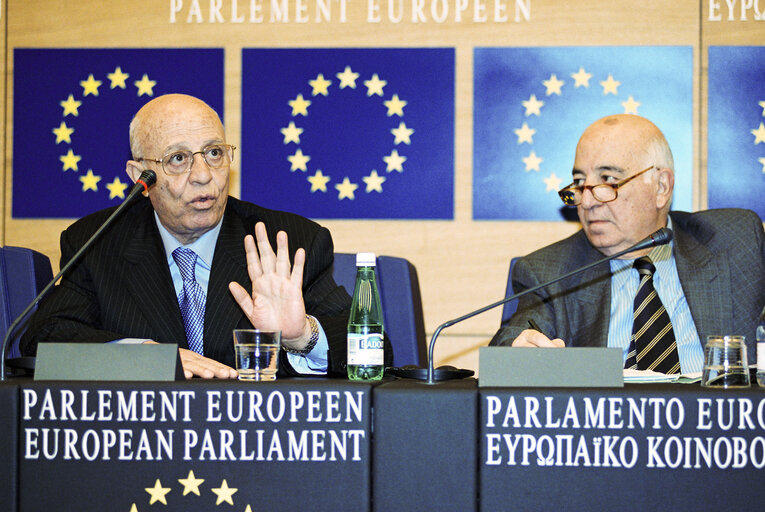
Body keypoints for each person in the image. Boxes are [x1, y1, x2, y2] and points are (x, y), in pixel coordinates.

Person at [20, 93, 392, 378]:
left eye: (214, 153)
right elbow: (43, 339)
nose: (203, 175)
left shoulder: (286, 241)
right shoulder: (99, 241)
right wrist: (144, 357)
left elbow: (377, 351)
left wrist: (301, 335)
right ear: (140, 177)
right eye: (178, 159)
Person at [491, 114, 765, 373]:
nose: (587, 202)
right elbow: (511, 342)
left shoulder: (735, 242)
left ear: (661, 187)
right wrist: (517, 350)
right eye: (579, 182)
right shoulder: (551, 272)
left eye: (608, 179)